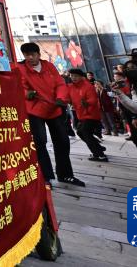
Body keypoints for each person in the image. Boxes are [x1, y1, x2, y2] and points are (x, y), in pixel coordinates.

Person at [15, 43, 84, 186]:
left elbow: (60, 84)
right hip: (35, 110)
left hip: (54, 107)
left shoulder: (49, 66)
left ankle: (65, 174)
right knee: (39, 142)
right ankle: (45, 177)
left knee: (62, 141)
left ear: (39, 54)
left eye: (33, 54)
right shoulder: (20, 68)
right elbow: (19, 86)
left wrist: (61, 98)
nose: (30, 58)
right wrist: (27, 93)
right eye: (27, 55)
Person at [67, 68, 108, 162]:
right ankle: (98, 148)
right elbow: (68, 98)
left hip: (91, 114)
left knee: (85, 132)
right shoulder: (71, 87)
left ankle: (100, 155)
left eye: (76, 76)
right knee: (80, 132)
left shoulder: (88, 86)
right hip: (81, 114)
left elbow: (93, 99)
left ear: (81, 77)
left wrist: (86, 103)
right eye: (72, 76)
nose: (73, 78)